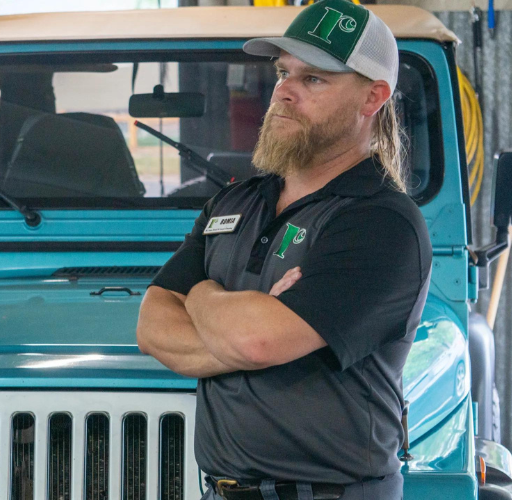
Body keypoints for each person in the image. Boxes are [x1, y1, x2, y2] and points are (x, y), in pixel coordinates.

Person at [136, 1, 433, 499]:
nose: (284, 92)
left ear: (372, 97)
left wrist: (203, 294)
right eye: (283, 72)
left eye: (314, 79)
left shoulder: (380, 221)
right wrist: (247, 326)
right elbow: (152, 327)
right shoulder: (235, 201)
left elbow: (258, 343)